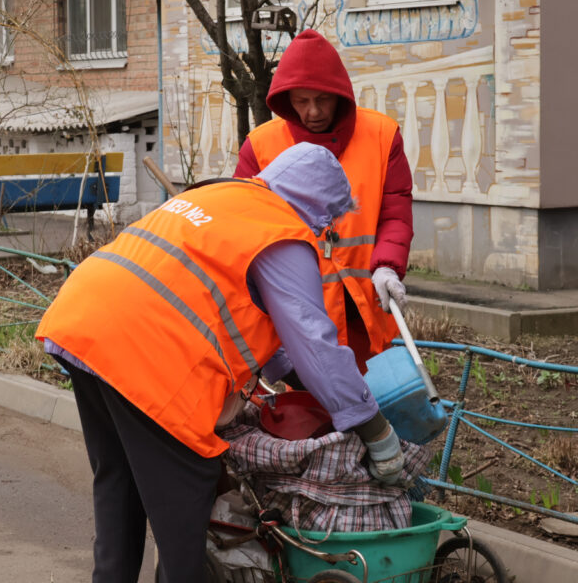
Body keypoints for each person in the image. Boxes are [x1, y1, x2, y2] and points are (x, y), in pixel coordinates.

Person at [35, 143, 406, 583]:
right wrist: (374, 428)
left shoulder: (219, 196)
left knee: (120, 481)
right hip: (142, 351)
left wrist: (289, 373)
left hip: (82, 321)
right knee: (190, 481)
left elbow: (257, 321)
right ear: (322, 210)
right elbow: (316, 343)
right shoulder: (282, 232)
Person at [233, 29, 414, 374]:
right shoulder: (260, 146)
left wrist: (388, 265)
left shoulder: (381, 135)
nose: (313, 111)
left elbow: (395, 212)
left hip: (364, 305)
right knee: (310, 409)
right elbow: (245, 230)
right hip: (293, 311)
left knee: (370, 399)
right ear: (286, 100)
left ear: (339, 95)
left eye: (322, 99)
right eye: (301, 101)